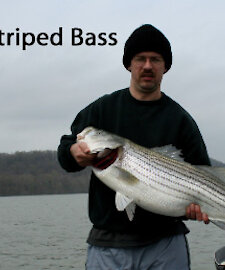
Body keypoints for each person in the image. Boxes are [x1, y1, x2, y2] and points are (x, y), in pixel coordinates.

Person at [58, 24, 211, 270]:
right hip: (107, 244)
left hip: (166, 244)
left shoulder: (180, 119)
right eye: (140, 58)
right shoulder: (102, 109)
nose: (147, 66)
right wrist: (72, 153)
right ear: (129, 64)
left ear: (165, 66)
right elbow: (67, 147)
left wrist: (192, 209)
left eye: (155, 59)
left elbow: (204, 174)